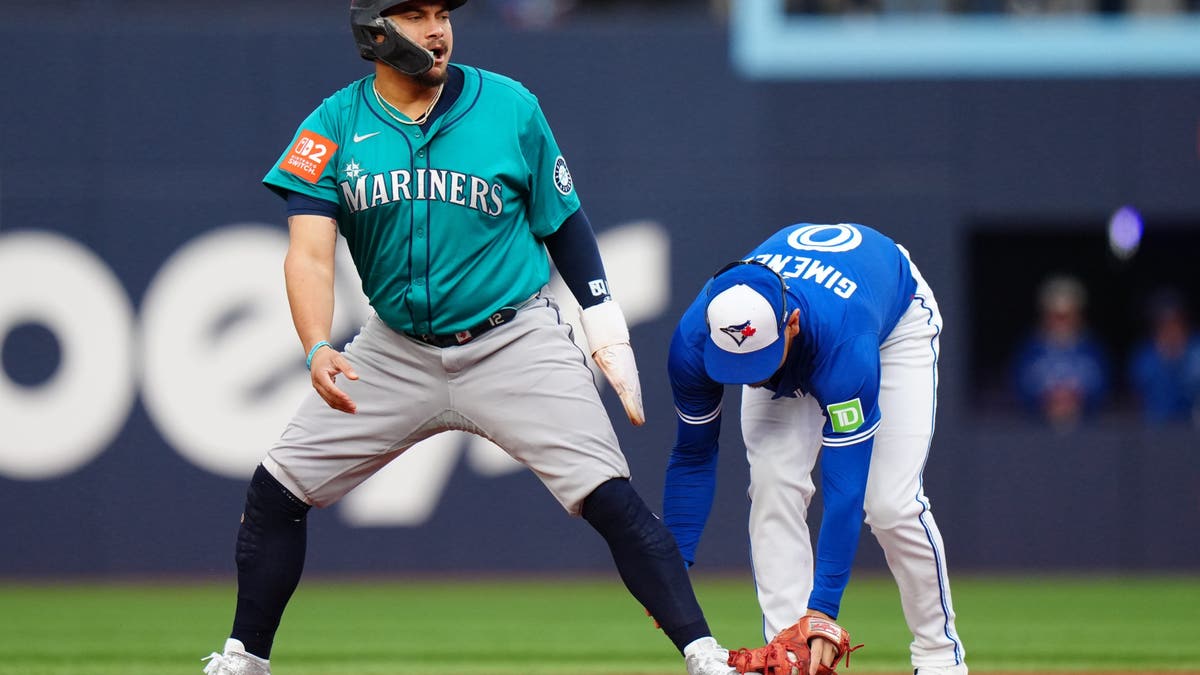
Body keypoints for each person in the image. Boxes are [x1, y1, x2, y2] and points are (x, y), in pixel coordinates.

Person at [200, 1, 737, 673]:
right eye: (415, 14)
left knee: (610, 495)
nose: (437, 29)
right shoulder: (333, 124)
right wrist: (316, 345)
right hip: (395, 349)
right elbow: (308, 253)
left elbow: (564, 223)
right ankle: (245, 658)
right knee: (278, 487)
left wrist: (604, 324)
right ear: (374, 31)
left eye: (442, 12)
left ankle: (706, 655)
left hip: (512, 338)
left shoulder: (509, 106)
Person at [662, 222, 968, 675]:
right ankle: (789, 656)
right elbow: (692, 454)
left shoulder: (846, 349)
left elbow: (845, 488)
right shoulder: (695, 339)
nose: (751, 375)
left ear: (791, 325)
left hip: (887, 324)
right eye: (735, 364)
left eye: (758, 361)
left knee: (890, 505)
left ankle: (940, 657)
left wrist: (823, 610)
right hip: (809, 324)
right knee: (772, 483)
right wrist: (669, 568)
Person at [1011, 275, 1110, 428]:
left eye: (1067, 315)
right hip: (1036, 431)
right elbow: (1018, 387)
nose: (1061, 322)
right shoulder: (1029, 351)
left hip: (1087, 431)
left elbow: (1104, 388)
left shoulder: (1093, 350)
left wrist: (1078, 399)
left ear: (1079, 315)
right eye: (1056, 316)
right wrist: (1046, 400)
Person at [1128, 289, 1200, 425]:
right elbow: (1136, 398)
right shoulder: (1144, 356)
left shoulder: (1197, 349)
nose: (1171, 328)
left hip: (1194, 430)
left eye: (1176, 321)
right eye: (1164, 323)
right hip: (1157, 431)